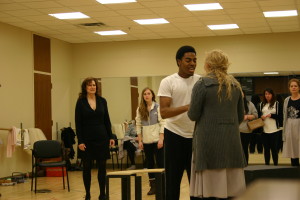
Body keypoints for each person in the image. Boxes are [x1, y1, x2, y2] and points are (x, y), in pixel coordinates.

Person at [188, 49, 246, 200]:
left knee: (210, 193)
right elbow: (240, 116)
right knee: (232, 192)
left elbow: (193, 114)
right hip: (231, 143)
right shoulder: (236, 86)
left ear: (207, 65)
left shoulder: (202, 84)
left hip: (208, 144)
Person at [157, 45, 200, 200]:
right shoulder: (168, 82)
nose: (192, 63)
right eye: (188, 60)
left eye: (195, 60)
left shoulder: (200, 81)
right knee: (172, 182)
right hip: (174, 135)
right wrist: (188, 107)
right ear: (178, 61)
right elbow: (164, 112)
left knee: (196, 183)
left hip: (196, 137)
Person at [75, 77, 115, 200]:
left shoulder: (102, 101)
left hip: (102, 137)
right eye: (89, 85)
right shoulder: (81, 102)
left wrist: (111, 136)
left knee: (102, 167)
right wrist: (80, 141)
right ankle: (87, 193)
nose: (92, 87)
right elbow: (78, 123)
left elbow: (107, 120)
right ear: (85, 87)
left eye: (94, 85)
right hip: (87, 139)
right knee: (86, 167)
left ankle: (102, 194)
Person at [136, 87, 165, 195]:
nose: (147, 95)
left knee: (161, 163)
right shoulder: (140, 109)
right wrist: (140, 141)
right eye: (145, 94)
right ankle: (153, 187)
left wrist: (161, 139)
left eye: (148, 93)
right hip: (147, 141)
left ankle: (162, 185)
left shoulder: (158, 107)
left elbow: (163, 123)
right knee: (150, 164)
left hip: (158, 140)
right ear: (143, 96)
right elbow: (138, 125)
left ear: (152, 95)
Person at [258, 88, 283, 166]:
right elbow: (258, 116)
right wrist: (261, 117)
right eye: (266, 94)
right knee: (266, 149)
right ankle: (267, 165)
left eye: (269, 94)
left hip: (275, 130)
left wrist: (272, 115)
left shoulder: (277, 104)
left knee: (274, 150)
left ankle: (275, 165)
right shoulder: (261, 104)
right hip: (264, 130)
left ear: (272, 95)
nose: (267, 96)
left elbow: (281, 116)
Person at [282, 78, 300, 166]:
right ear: (289, 88)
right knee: (292, 148)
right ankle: (294, 168)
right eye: (291, 86)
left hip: (298, 125)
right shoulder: (287, 100)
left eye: (295, 86)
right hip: (289, 125)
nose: (293, 88)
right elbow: (284, 115)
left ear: (299, 87)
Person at [239, 90, 258, 164]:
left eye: (241, 92)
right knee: (236, 149)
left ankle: (245, 163)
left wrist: (247, 116)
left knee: (245, 148)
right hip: (235, 131)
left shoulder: (249, 104)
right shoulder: (233, 103)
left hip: (246, 130)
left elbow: (256, 115)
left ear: (244, 94)